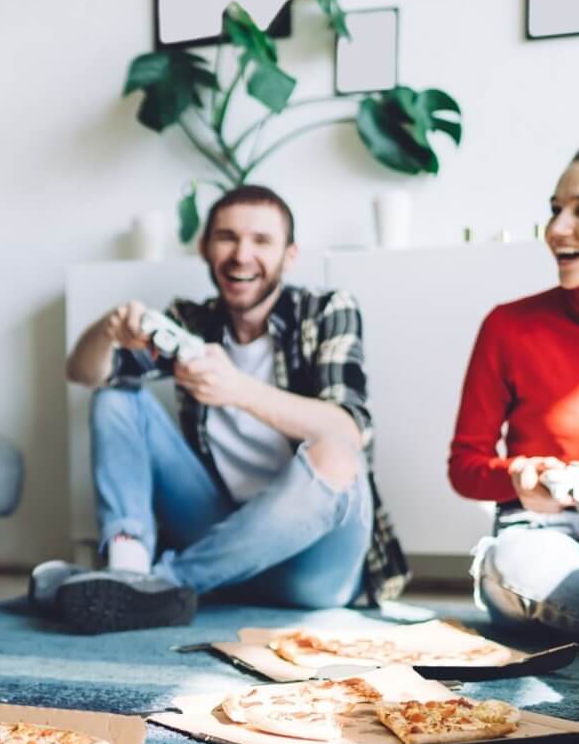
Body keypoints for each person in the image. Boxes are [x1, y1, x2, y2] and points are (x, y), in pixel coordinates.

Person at [32, 185, 409, 633]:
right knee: (116, 395)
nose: (241, 254)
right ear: (205, 248)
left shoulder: (326, 310)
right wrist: (108, 329)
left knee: (336, 453)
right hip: (218, 533)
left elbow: (348, 428)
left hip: (312, 565)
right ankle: (127, 566)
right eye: (227, 238)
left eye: (261, 241)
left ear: (290, 256)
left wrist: (238, 389)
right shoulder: (191, 322)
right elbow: (83, 373)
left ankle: (153, 584)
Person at [451, 141, 579, 641]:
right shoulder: (509, 325)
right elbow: (465, 466)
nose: (555, 230)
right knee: (514, 563)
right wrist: (518, 477)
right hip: (543, 535)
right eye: (555, 210)